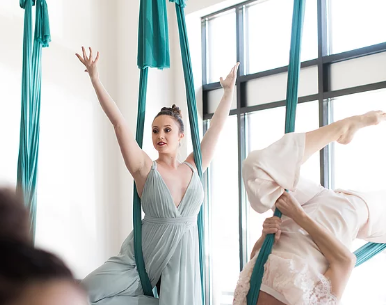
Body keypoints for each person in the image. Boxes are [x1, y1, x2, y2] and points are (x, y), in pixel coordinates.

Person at [76, 47, 239, 304]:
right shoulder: (144, 167)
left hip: (182, 265)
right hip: (137, 262)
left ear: (181, 136)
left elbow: (216, 130)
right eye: (154, 131)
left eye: (167, 130)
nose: (160, 136)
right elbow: (119, 124)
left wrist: (228, 92)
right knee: (78, 294)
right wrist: (96, 79)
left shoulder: (194, 167)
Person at [234, 111, 386, 305]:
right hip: (336, 219)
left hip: (293, 207)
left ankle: (342, 129)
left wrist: (265, 236)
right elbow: (345, 262)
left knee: (256, 168)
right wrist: (299, 215)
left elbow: (255, 262)